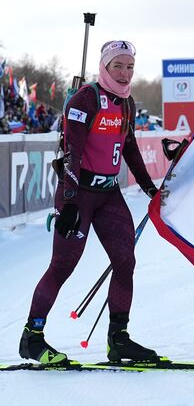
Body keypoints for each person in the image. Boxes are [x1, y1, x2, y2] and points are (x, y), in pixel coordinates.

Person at [19, 40, 163, 365]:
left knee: (125, 261)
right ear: (105, 67)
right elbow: (72, 151)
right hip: (79, 194)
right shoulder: (87, 98)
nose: (125, 74)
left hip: (109, 194)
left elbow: (130, 149)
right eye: (118, 66)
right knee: (63, 266)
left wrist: (150, 189)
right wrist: (69, 200)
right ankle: (32, 337)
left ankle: (118, 339)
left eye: (130, 67)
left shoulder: (127, 104)